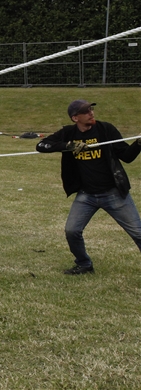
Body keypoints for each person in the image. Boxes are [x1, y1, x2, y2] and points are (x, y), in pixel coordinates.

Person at [36, 100, 141, 275]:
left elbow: (127, 157)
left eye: (91, 109)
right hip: (87, 196)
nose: (91, 113)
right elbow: (41, 146)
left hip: (113, 193)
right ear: (75, 118)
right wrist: (69, 146)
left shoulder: (106, 129)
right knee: (72, 231)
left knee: (138, 233)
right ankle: (84, 264)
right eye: (86, 112)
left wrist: (138, 144)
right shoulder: (68, 133)